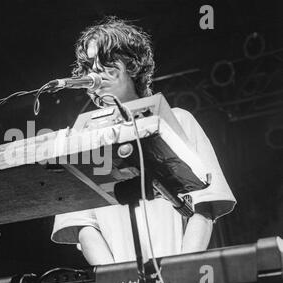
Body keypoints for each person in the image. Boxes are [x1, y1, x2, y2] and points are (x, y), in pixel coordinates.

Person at [51, 16, 237, 265]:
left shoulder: (180, 120)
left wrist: (180, 272)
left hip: (178, 274)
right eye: (89, 65)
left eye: (104, 60)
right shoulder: (81, 136)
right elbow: (81, 223)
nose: (94, 71)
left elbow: (206, 205)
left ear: (132, 63)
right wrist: (116, 279)